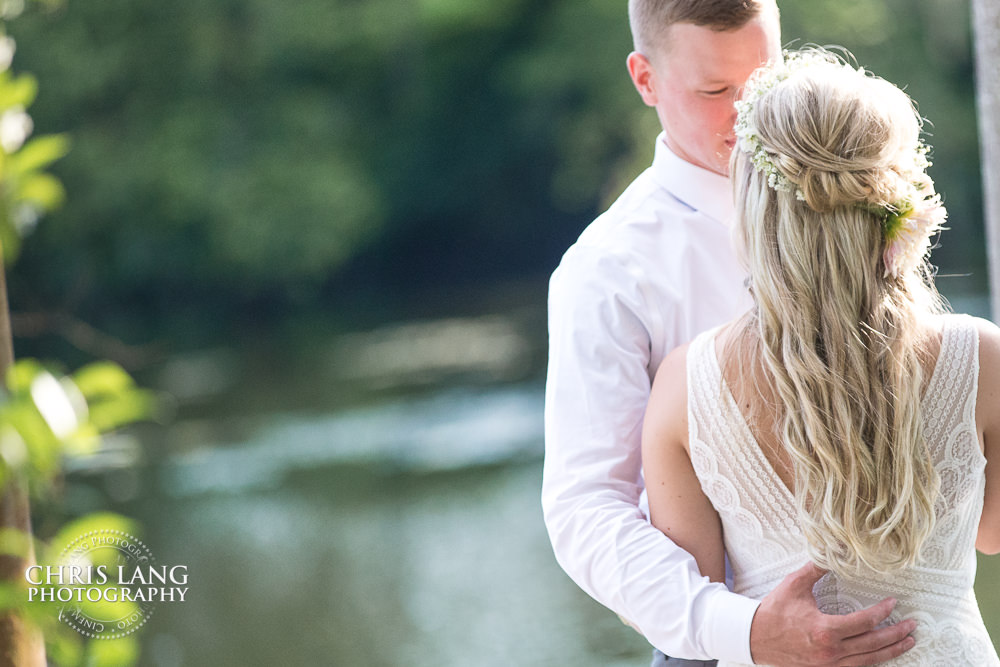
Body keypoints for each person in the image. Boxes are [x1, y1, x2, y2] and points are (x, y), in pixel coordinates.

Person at [543, 1, 916, 664]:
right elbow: (586, 507)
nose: (748, 115)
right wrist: (738, 628)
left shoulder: (861, 198)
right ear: (646, 79)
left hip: (905, 609)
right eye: (715, 91)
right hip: (724, 640)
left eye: (764, 80)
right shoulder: (607, 272)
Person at [642, 48, 1000, 666]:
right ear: (897, 200)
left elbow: (686, 606)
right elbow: (991, 532)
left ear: (753, 205)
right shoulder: (981, 357)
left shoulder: (684, 387)